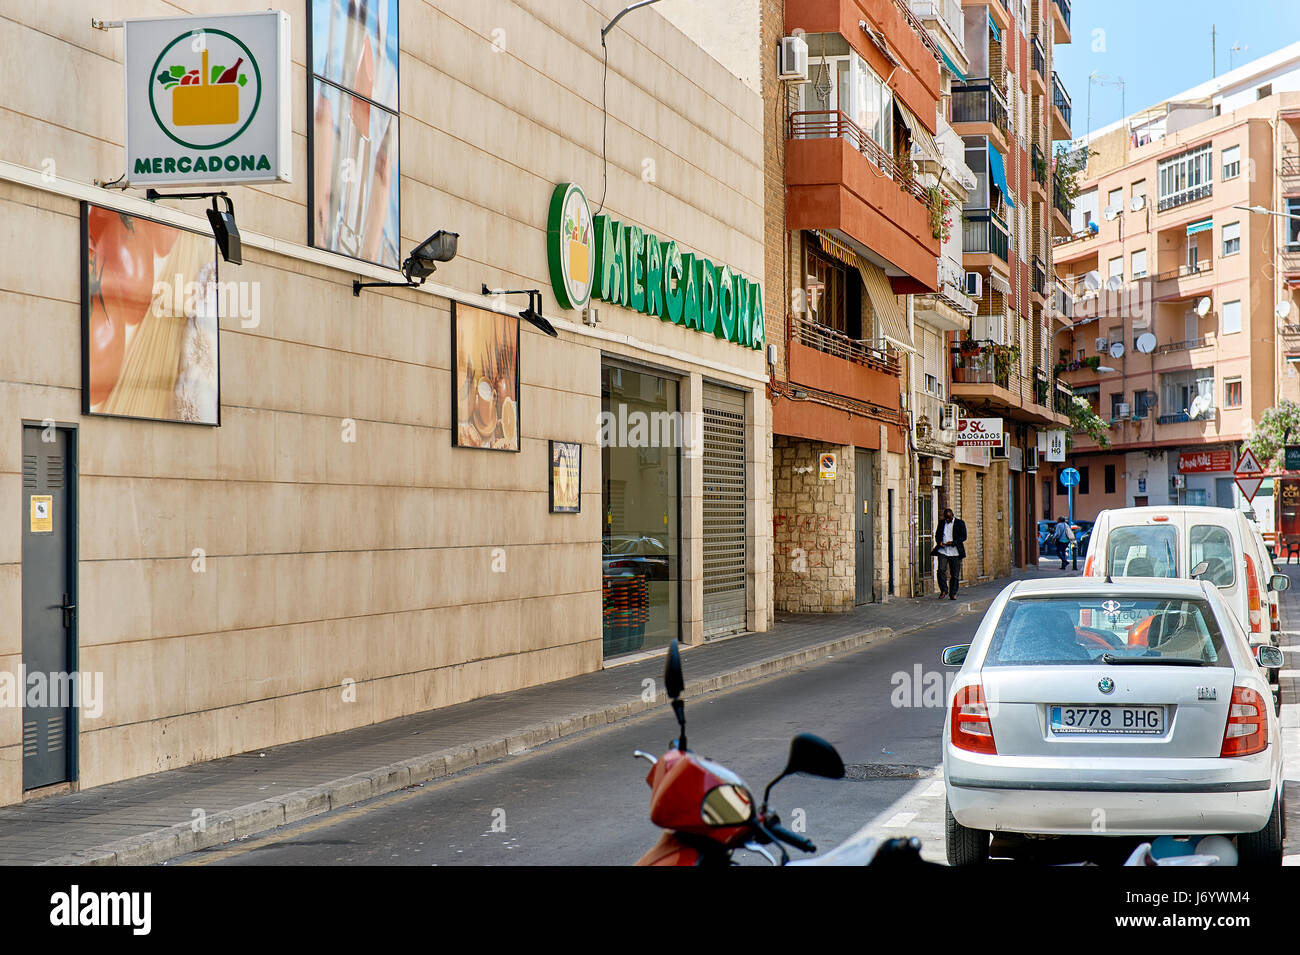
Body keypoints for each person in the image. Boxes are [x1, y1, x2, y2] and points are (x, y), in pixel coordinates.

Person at [931, 507, 967, 600]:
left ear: (952, 516)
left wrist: (953, 542)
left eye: (949, 518)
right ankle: (943, 590)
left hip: (955, 552)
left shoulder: (960, 523)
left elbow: (964, 537)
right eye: (946, 518)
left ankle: (953, 593)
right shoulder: (941, 523)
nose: (947, 520)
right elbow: (937, 535)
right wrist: (939, 542)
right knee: (941, 570)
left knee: (954, 574)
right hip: (943, 551)